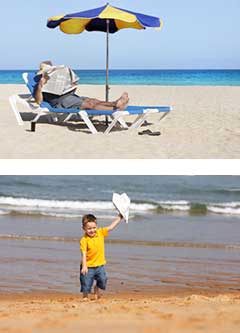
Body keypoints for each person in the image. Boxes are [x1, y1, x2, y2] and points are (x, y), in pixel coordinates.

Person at [34, 61, 129, 110]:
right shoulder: (39, 84)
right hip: (62, 102)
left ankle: (115, 103)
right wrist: (40, 85)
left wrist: (72, 86)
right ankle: (115, 109)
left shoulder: (55, 78)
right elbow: (39, 102)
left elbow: (69, 91)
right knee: (90, 105)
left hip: (70, 97)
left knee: (93, 100)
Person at [80, 213, 123, 300]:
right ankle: (85, 296)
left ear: (97, 226)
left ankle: (96, 288)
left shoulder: (100, 232)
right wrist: (84, 266)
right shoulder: (84, 240)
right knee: (86, 282)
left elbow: (111, 227)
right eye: (89, 228)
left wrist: (120, 217)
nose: (92, 230)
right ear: (84, 228)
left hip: (100, 265)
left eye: (94, 228)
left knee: (103, 280)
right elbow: (83, 253)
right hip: (88, 266)